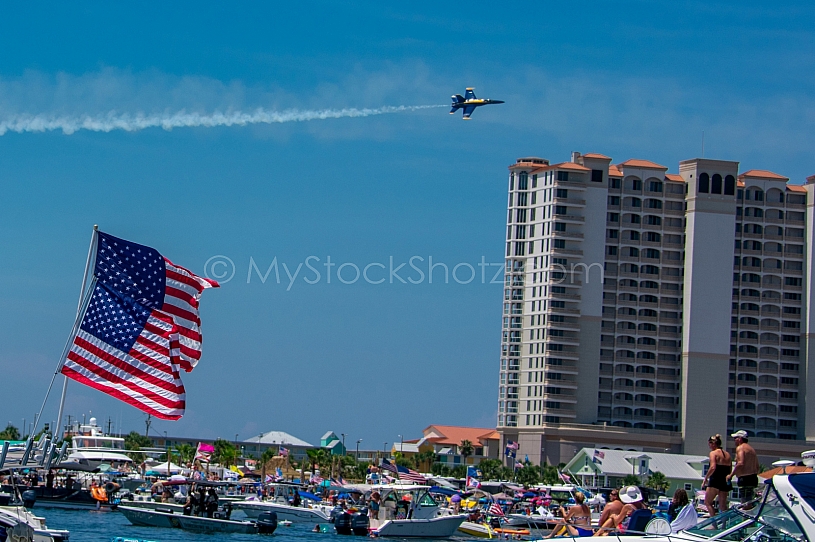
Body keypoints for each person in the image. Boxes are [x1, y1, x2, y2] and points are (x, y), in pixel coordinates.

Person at [701, 434, 732, 516]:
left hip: (715, 480)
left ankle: (713, 524)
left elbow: (713, 467)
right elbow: (730, 470)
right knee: (723, 505)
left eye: (710, 444)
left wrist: (706, 478)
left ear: (713, 444)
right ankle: (724, 525)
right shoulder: (728, 455)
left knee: (707, 502)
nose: (709, 446)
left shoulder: (713, 453)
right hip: (724, 481)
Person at [726, 430, 759, 504]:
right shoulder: (751, 450)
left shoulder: (740, 448)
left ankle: (746, 514)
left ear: (740, 439)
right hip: (753, 478)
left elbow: (741, 463)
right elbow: (757, 467)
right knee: (749, 500)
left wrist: (731, 475)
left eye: (735, 438)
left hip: (745, 479)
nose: (734, 440)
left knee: (745, 502)